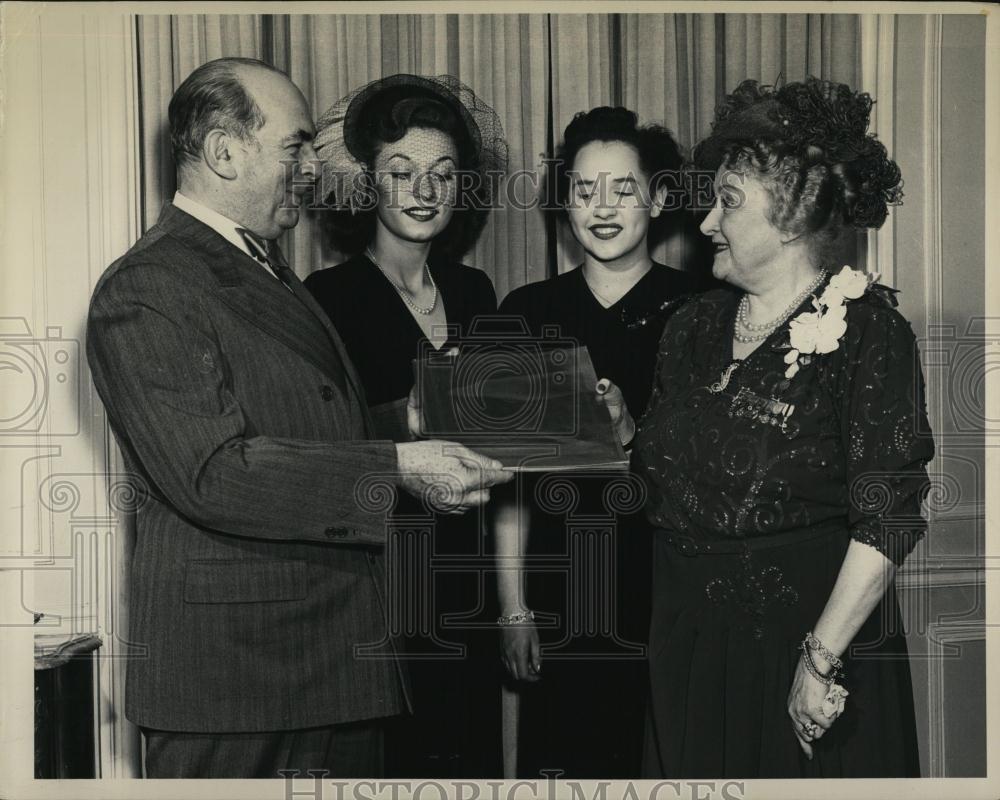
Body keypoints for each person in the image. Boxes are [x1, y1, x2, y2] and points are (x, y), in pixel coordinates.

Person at [85, 57, 511, 780]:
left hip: (324, 664)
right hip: (237, 681)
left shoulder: (262, 266)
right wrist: (402, 466)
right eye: (296, 146)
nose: (314, 168)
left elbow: (309, 431)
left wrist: (407, 419)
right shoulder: (151, 284)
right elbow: (212, 473)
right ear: (224, 151)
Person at [624, 77, 934, 777]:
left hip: (806, 656)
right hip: (687, 648)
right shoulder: (690, 328)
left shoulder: (869, 334)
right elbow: (672, 477)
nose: (705, 222)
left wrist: (819, 661)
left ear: (792, 216)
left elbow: (887, 517)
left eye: (727, 202)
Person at [304, 74, 508, 777]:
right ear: (367, 184)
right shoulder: (325, 299)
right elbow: (315, 449)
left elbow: (496, 433)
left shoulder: (477, 292)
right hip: (376, 583)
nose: (425, 189)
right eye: (402, 171)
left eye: (443, 174)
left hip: (468, 572)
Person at [493, 107, 703, 777]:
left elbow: (717, 480)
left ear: (660, 197)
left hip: (675, 594)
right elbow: (507, 484)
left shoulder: (704, 310)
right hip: (561, 593)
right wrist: (513, 607)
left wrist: (628, 435)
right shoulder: (525, 313)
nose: (601, 208)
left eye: (622, 189)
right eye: (584, 191)